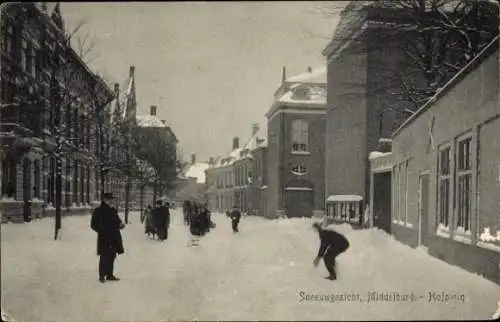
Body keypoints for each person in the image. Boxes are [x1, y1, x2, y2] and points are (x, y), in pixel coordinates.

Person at [90, 193, 125, 283]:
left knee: (112, 255)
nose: (112, 201)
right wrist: (103, 231)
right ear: (105, 199)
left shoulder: (113, 210)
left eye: (112, 199)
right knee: (104, 256)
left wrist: (121, 224)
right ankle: (102, 275)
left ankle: (109, 275)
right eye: (110, 199)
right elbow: (93, 225)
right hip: (105, 237)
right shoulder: (98, 211)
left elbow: (117, 221)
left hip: (114, 236)